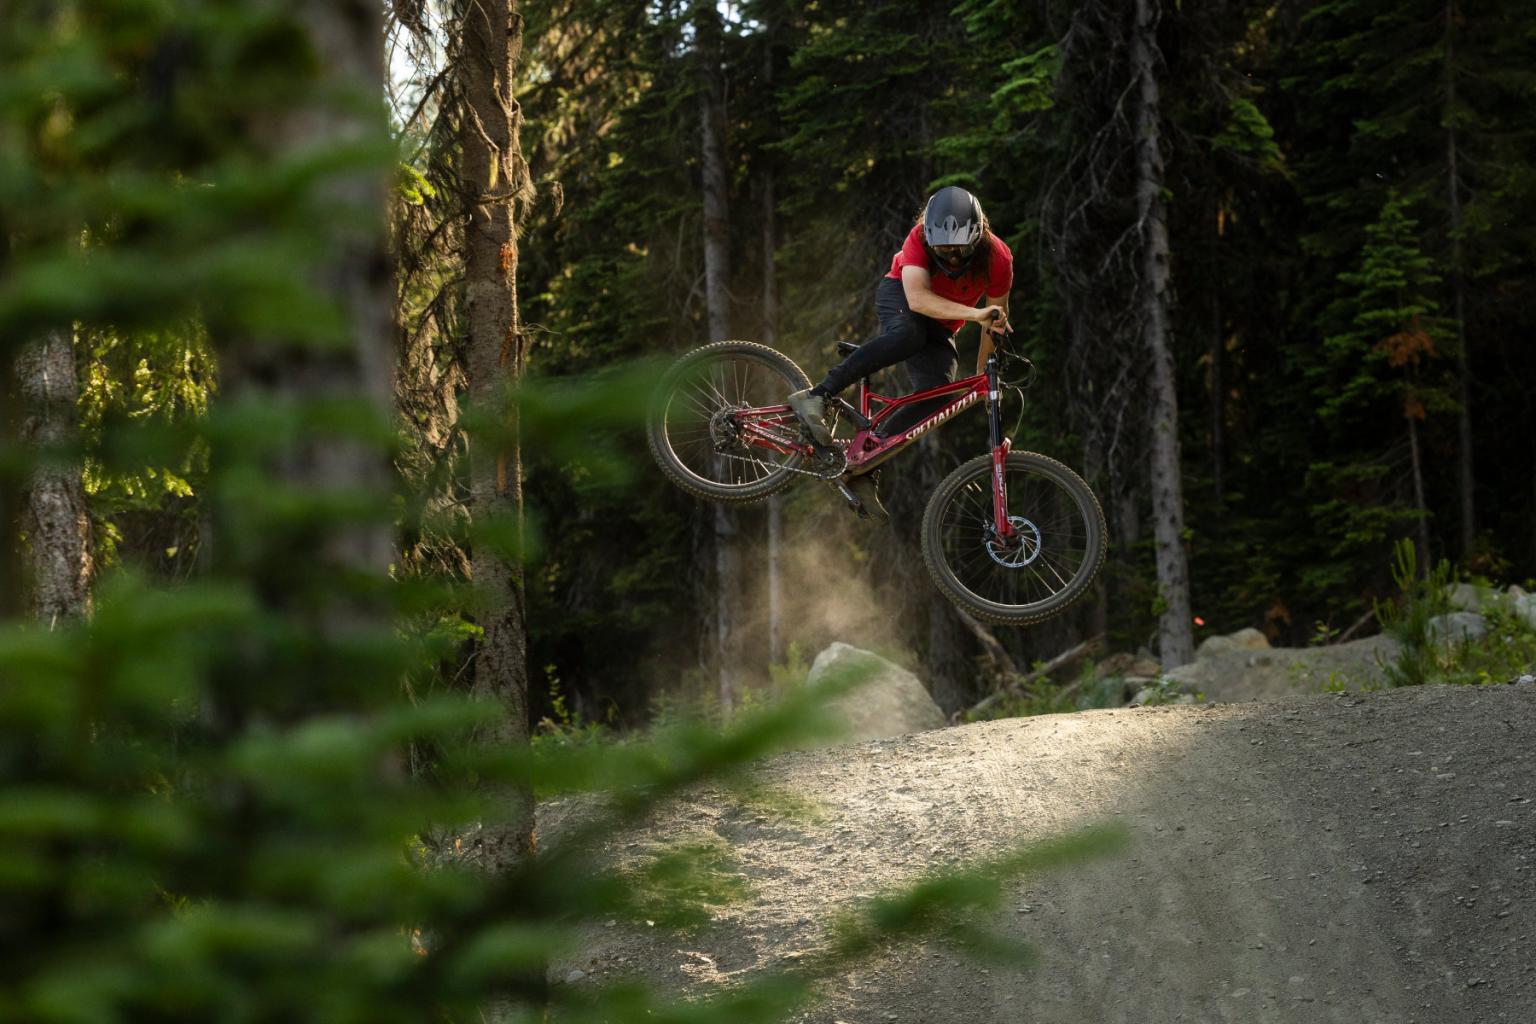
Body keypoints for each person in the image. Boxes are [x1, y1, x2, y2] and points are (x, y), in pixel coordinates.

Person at [788, 185, 1012, 520]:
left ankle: (866, 460)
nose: (952, 257)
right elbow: (918, 300)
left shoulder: (998, 259)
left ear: (978, 237)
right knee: (908, 334)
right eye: (943, 249)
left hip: (941, 325)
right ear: (930, 238)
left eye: (961, 249)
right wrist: (976, 314)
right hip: (902, 297)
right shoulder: (918, 237)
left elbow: (993, 324)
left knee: (939, 395)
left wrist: (984, 380)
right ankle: (817, 395)